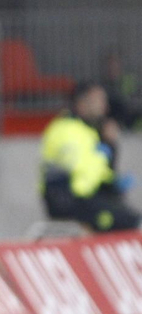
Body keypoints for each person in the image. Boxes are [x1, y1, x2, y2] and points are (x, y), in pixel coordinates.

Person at [40, 82, 140, 232]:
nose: (104, 107)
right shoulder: (66, 130)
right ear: (82, 103)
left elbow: (99, 172)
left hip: (86, 198)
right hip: (67, 199)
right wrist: (105, 148)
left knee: (129, 218)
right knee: (131, 222)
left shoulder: (88, 130)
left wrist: (113, 181)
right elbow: (82, 182)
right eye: (98, 101)